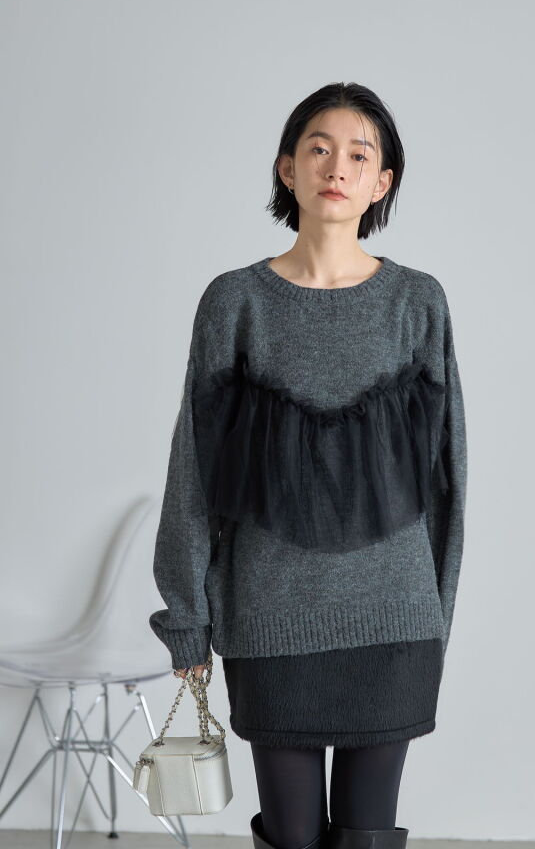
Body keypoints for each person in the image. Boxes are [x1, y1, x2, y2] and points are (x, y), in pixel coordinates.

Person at [150, 82, 468, 849]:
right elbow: (193, 474)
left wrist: (437, 620)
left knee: (367, 834)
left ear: (382, 182)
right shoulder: (235, 302)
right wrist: (187, 622)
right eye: (318, 148)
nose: (337, 167)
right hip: (269, 621)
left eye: (359, 155)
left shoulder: (417, 302)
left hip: (393, 623)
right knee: (291, 838)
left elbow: (446, 480)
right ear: (286, 167)